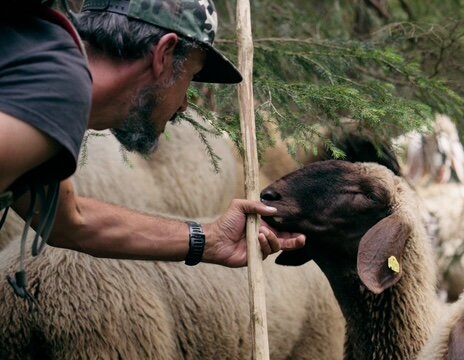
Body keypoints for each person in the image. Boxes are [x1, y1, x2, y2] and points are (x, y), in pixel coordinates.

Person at [0, 0, 304, 281]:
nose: (185, 104)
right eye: (191, 75)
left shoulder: (34, 59)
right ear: (163, 54)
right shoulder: (61, 89)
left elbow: (70, 222)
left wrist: (210, 240)